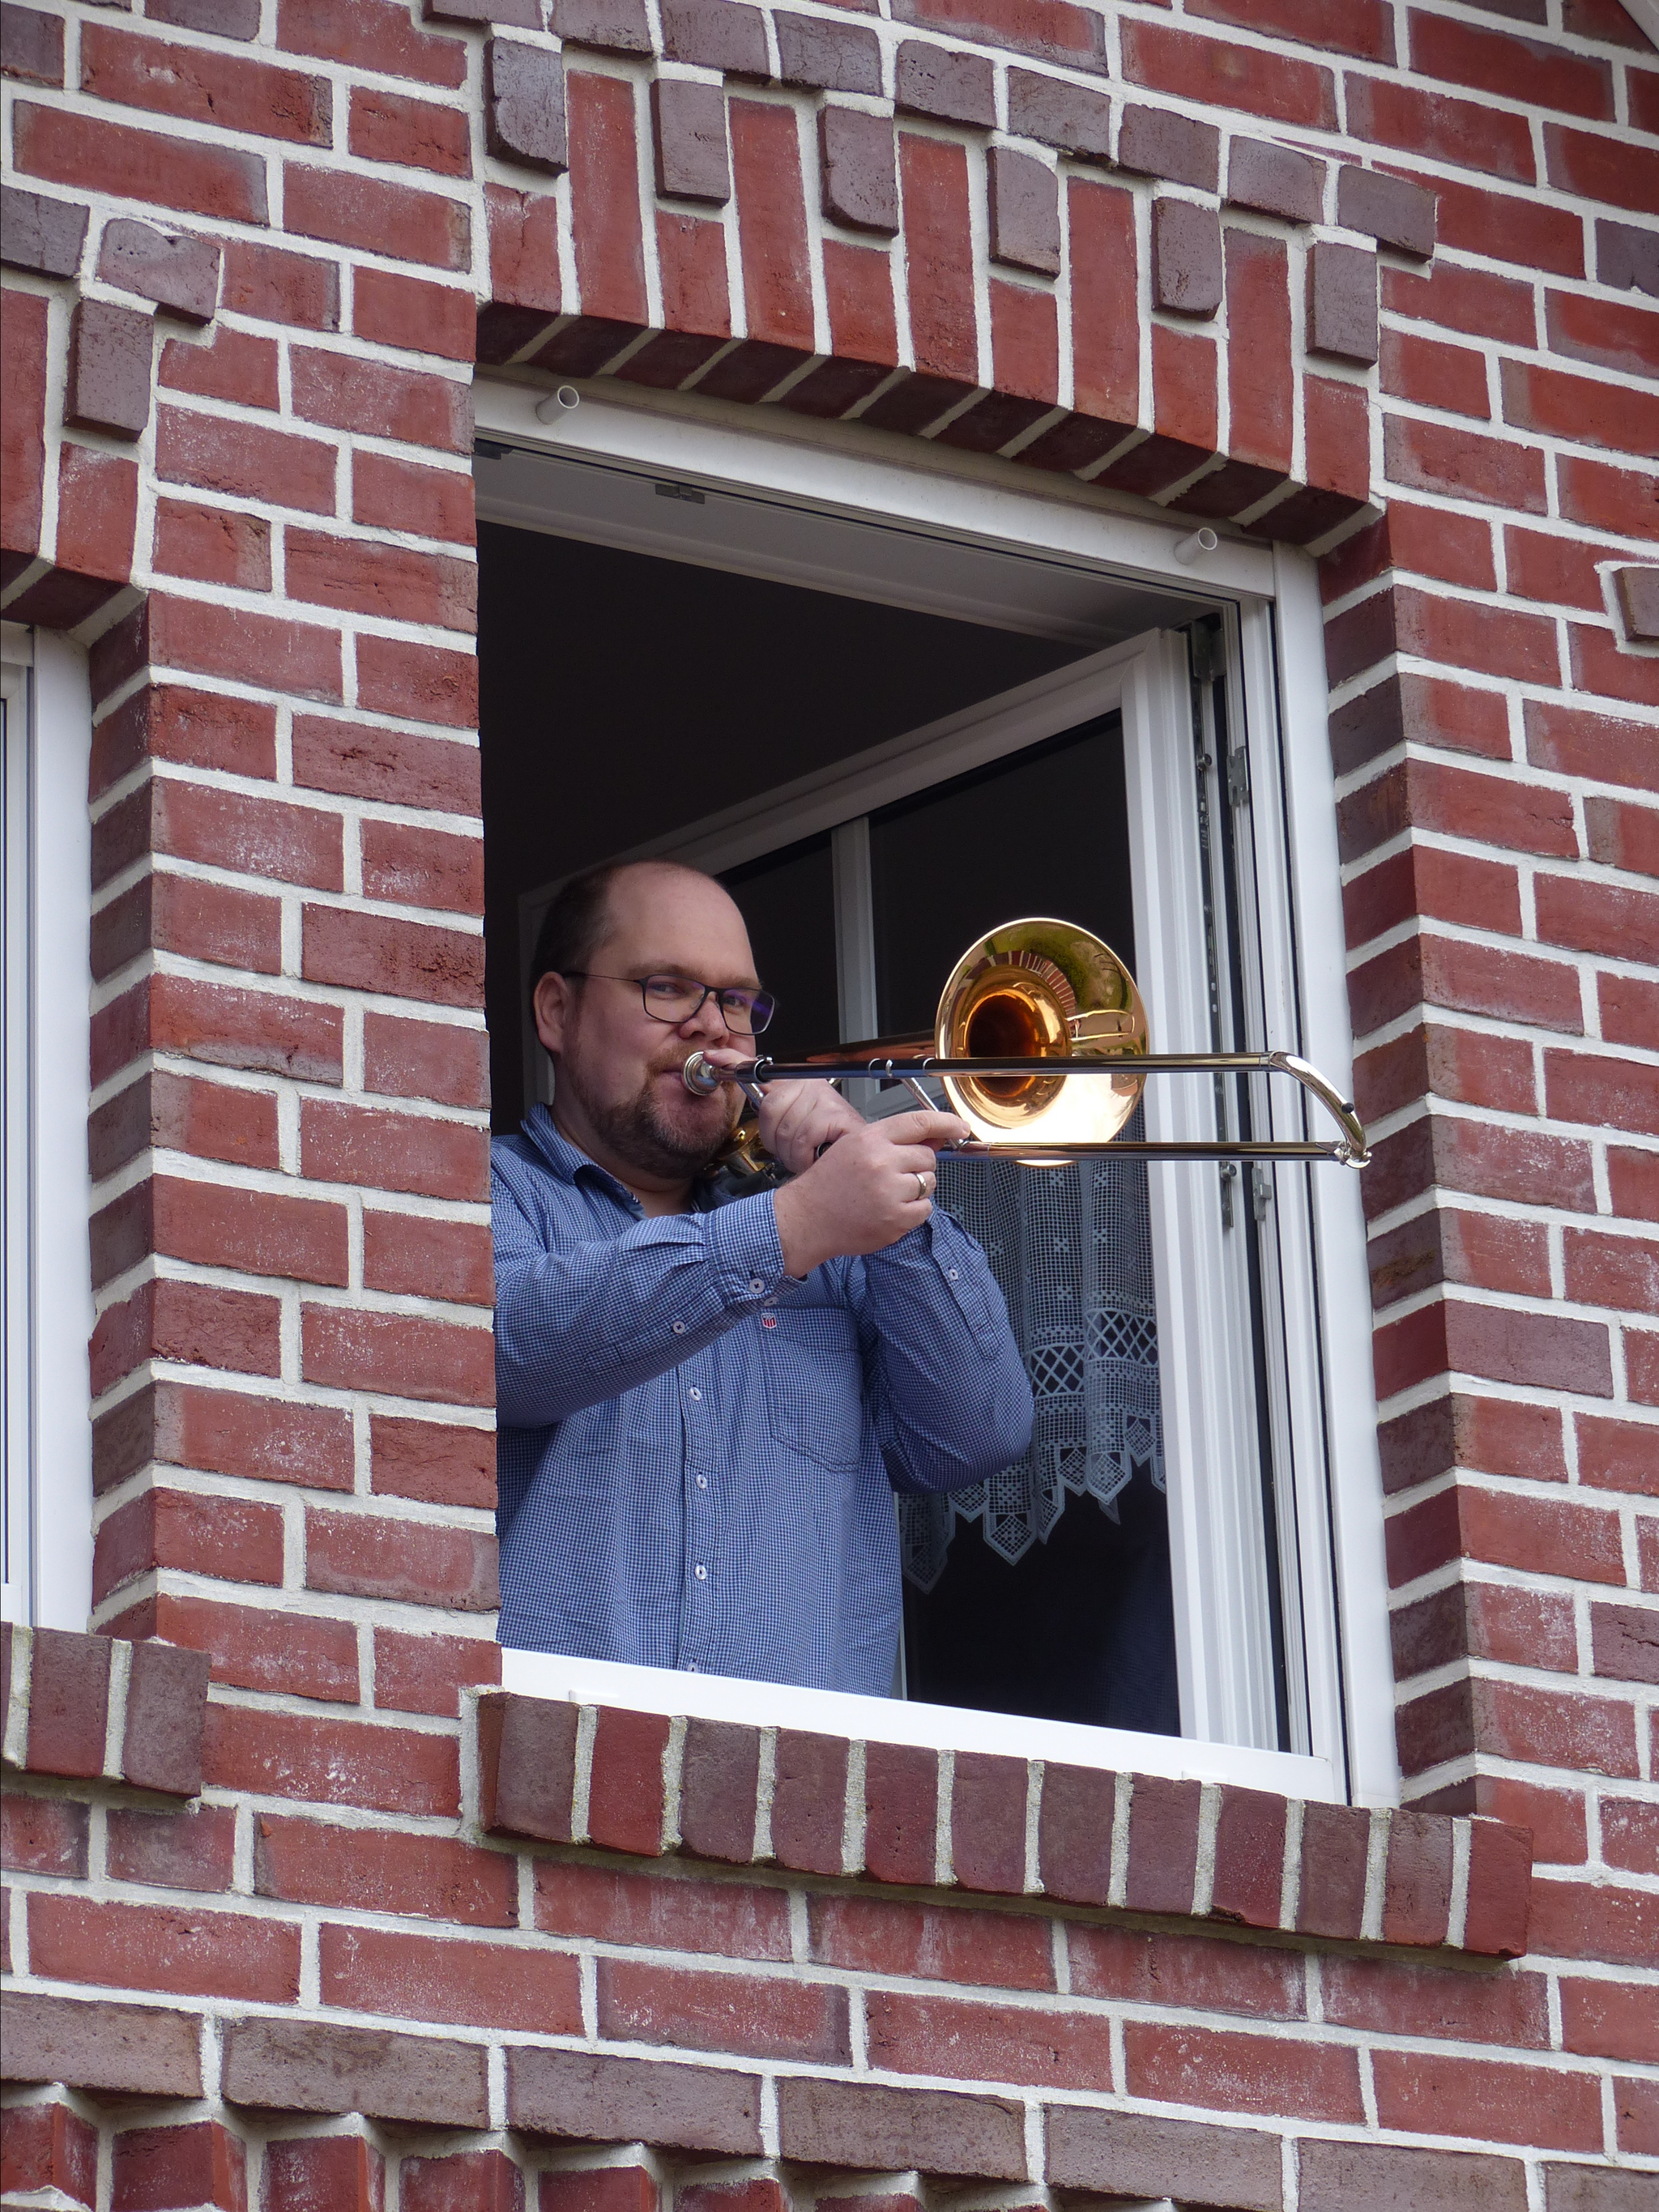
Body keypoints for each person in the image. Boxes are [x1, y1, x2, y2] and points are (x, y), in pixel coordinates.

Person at [491, 858, 1034, 1696]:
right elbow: (513, 1349)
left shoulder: (840, 1234)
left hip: (807, 1807)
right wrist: (796, 1225)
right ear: (557, 1012)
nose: (714, 1029)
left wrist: (869, 1195)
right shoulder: (480, 1196)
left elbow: (976, 1433)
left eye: (737, 1002)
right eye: (668, 987)